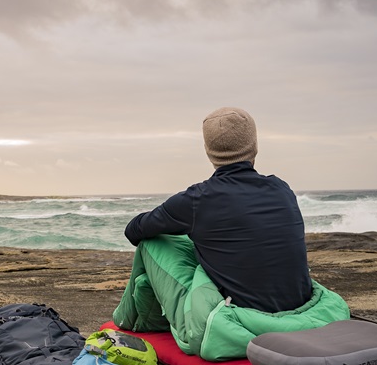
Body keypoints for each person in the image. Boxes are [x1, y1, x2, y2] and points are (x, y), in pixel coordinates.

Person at [123, 107, 311, 313]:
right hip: (296, 309)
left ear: (208, 150)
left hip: (237, 319)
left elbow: (134, 230)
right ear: (255, 145)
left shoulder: (197, 199)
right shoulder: (281, 188)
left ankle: (131, 322)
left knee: (151, 243)